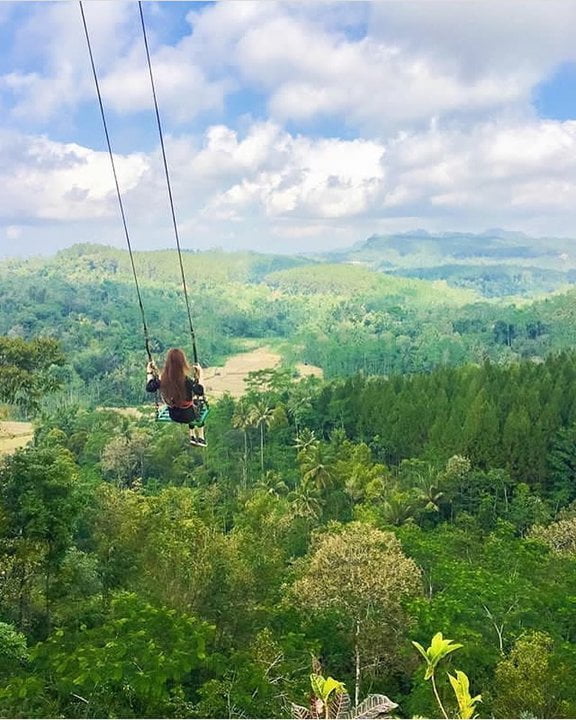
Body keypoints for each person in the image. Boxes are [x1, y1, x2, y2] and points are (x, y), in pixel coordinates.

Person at [146, 348, 208, 447]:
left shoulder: (163, 379)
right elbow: (200, 391)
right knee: (198, 405)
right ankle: (200, 437)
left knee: (191, 405)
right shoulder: (186, 380)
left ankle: (192, 435)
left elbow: (149, 387)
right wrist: (200, 375)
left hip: (173, 415)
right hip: (188, 415)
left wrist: (149, 372)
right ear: (182, 363)